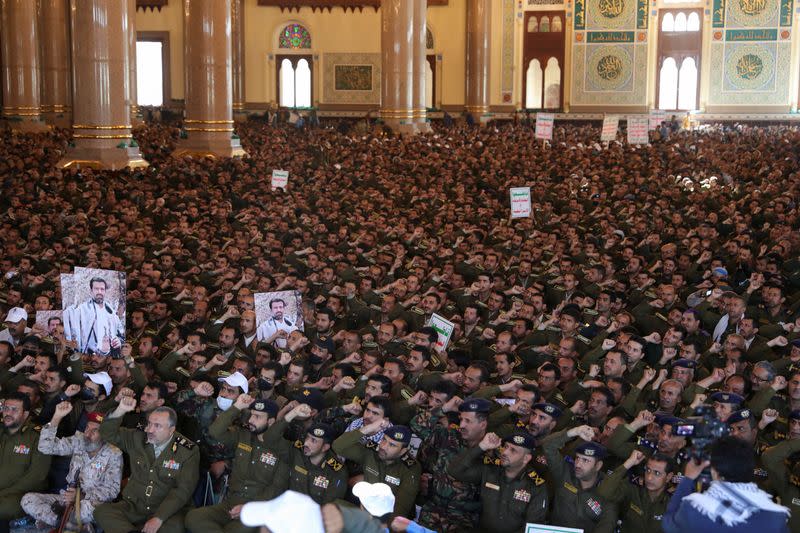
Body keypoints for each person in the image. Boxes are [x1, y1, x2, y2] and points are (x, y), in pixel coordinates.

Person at [94, 397, 199, 533]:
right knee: (102, 511)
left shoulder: (187, 451)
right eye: (149, 424)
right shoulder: (137, 437)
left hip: (166, 511)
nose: (150, 430)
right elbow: (106, 433)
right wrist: (120, 410)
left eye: (157, 426)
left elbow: (182, 490)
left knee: (176, 527)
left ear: (171, 430)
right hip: (135, 506)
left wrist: (159, 518)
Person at [185, 394, 287, 533]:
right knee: (193, 518)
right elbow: (215, 432)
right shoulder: (243, 435)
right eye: (251, 415)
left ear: (271, 421)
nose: (251, 420)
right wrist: (237, 406)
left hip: (256, 509)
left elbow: (276, 488)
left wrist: (248, 508)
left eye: (257, 417)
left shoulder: (282, 448)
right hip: (230, 503)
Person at [21, 403, 122, 528]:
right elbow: (45, 447)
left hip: (91, 503)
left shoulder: (114, 454)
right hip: (66, 499)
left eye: (95, 431)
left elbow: (112, 490)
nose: (87, 434)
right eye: (87, 428)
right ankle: (70, 525)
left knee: (90, 510)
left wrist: (81, 496)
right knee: (28, 499)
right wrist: (56, 417)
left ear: (106, 434)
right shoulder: (78, 440)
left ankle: (54, 520)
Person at [662, 436, 790, 532]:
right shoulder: (776, 516)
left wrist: (688, 478)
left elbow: (669, 523)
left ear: (715, 471)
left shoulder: (695, 509)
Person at [448, 431, 549, 533]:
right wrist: (482, 446)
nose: (505, 452)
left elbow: (532, 527)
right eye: (505, 447)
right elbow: (454, 471)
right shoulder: (490, 470)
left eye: (513, 450)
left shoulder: (536, 486)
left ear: (526, 458)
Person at [0, 393, 52, 533]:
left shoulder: (37, 437)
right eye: (6, 408)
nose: (8, 413)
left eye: (14, 410)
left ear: (25, 414)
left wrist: (5, 492)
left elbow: (37, 476)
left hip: (19, 494)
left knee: (3, 508)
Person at [64, 277, 124, 355]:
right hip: (90, 354)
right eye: (96, 289)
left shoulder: (110, 310)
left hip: (111, 353)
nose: (99, 292)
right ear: (91, 291)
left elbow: (120, 332)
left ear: (105, 291)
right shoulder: (82, 309)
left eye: (102, 289)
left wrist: (119, 341)